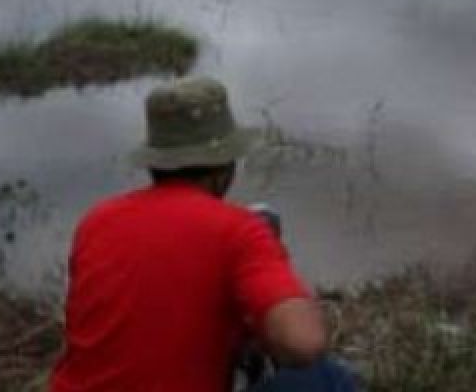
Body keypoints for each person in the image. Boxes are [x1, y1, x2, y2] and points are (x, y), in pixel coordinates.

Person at [50, 77, 357, 392]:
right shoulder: (238, 230)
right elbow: (303, 343)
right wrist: (271, 303)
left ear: (155, 161)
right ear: (225, 166)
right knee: (327, 378)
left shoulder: (96, 222)